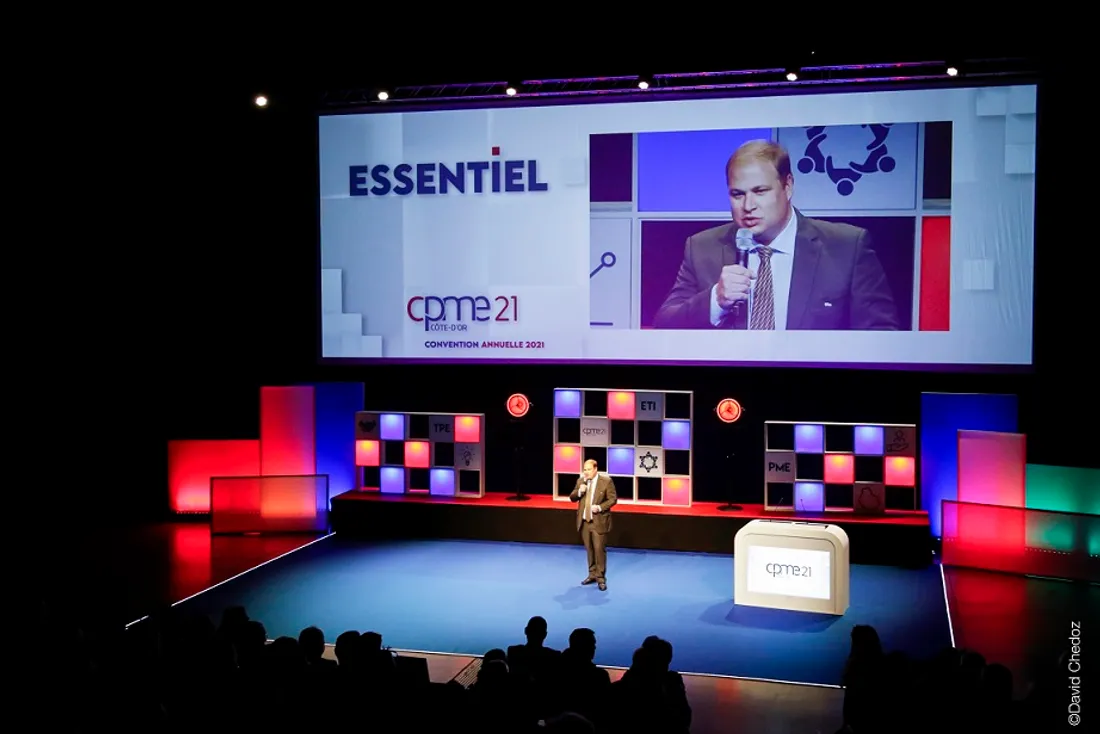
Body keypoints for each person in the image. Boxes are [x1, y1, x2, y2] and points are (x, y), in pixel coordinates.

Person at [653, 139, 900, 331]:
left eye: (760, 191)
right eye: (737, 194)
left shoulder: (847, 247)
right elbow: (664, 324)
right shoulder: (702, 248)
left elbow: (880, 337)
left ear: (788, 186)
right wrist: (715, 300)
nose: (748, 205)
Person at [569, 459, 617, 590]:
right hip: (585, 522)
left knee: (599, 550)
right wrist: (580, 492)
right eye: (584, 469)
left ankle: (600, 578)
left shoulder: (606, 481)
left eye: (589, 469)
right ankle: (592, 574)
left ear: (595, 469)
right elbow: (572, 497)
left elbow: (613, 499)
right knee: (589, 550)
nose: (586, 472)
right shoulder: (581, 481)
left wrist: (600, 508)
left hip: (598, 522)